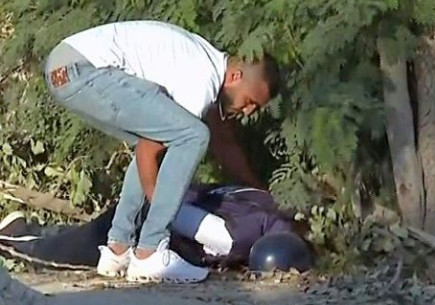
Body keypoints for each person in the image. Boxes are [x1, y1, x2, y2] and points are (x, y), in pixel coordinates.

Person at [44, 20, 281, 283]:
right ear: (235, 77)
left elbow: (155, 145)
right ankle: (150, 253)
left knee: (166, 136)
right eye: (250, 102)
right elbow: (149, 152)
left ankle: (117, 250)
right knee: (193, 135)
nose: (248, 112)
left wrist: (258, 190)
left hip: (65, 69)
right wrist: (160, 204)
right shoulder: (202, 80)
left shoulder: (205, 62)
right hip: (83, 69)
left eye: (255, 109)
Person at [0, 183, 307, 272]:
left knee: (76, 237)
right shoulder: (233, 240)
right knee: (52, 256)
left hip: (154, 200)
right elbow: (168, 214)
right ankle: (13, 240)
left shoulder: (265, 201)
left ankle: (29, 228)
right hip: (139, 225)